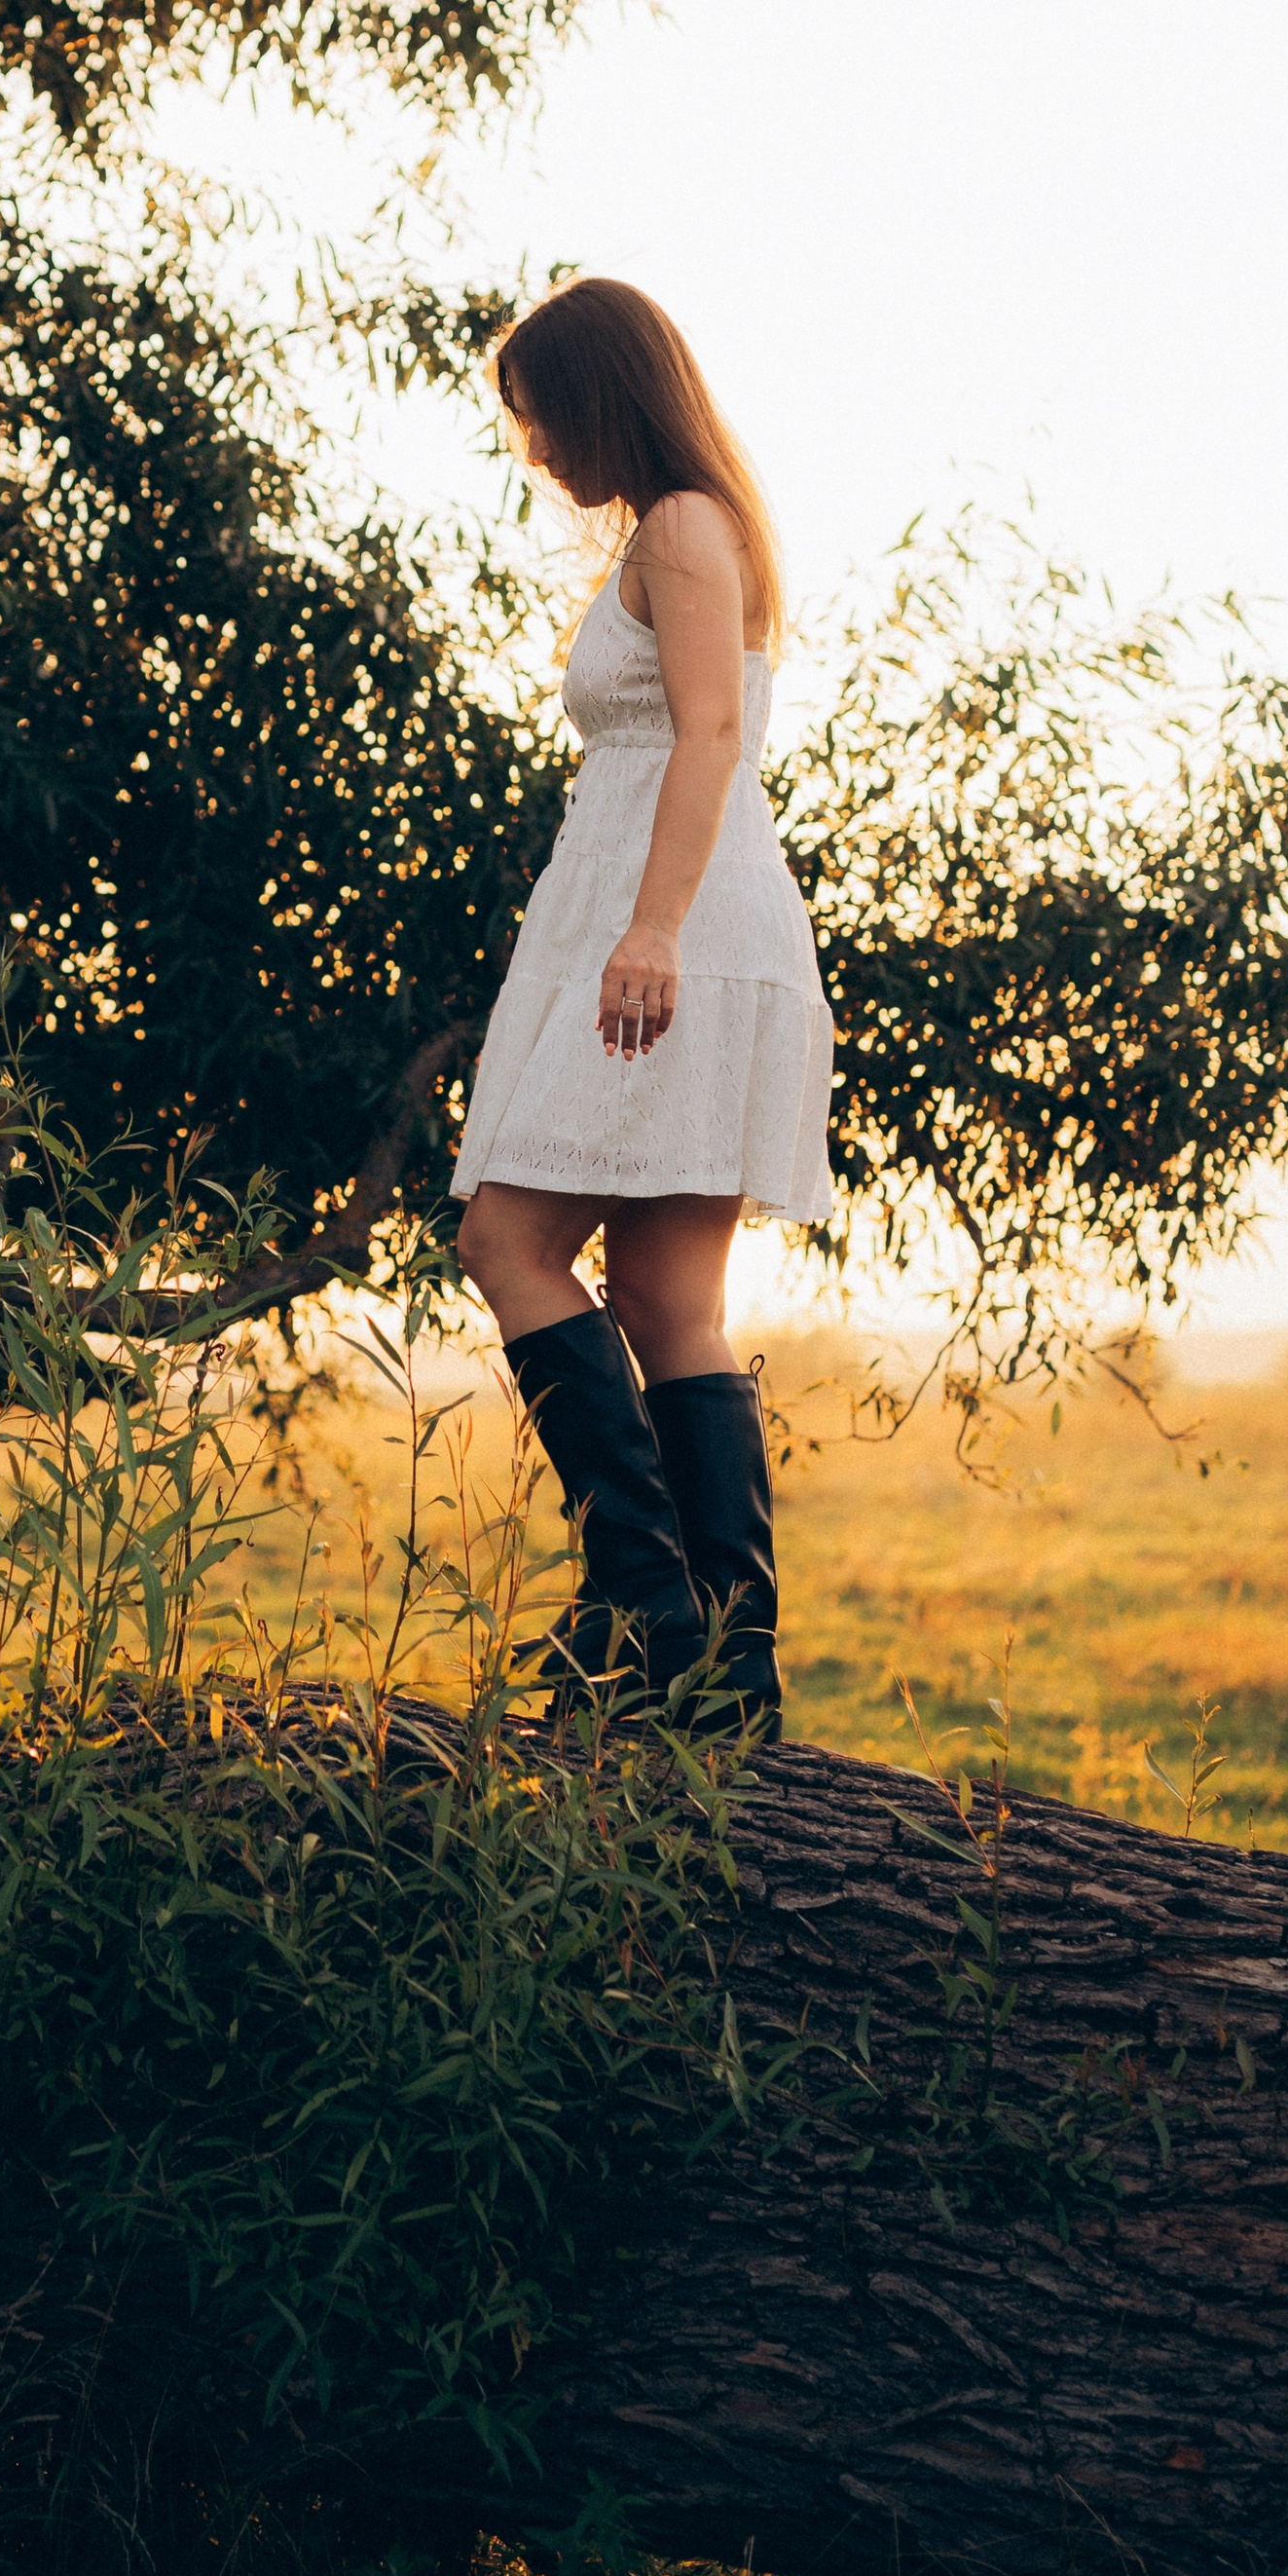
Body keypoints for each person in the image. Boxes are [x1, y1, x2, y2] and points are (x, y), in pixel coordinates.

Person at [453, 275, 832, 1731]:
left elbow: (712, 733)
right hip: (654, 926)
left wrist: (652, 929)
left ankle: (643, 1593)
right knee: (670, 1300)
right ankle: (725, 1672)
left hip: (671, 930)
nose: (537, 453)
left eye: (540, 417)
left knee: (505, 1233)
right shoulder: (689, 527)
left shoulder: (683, 526)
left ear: (604, 390)